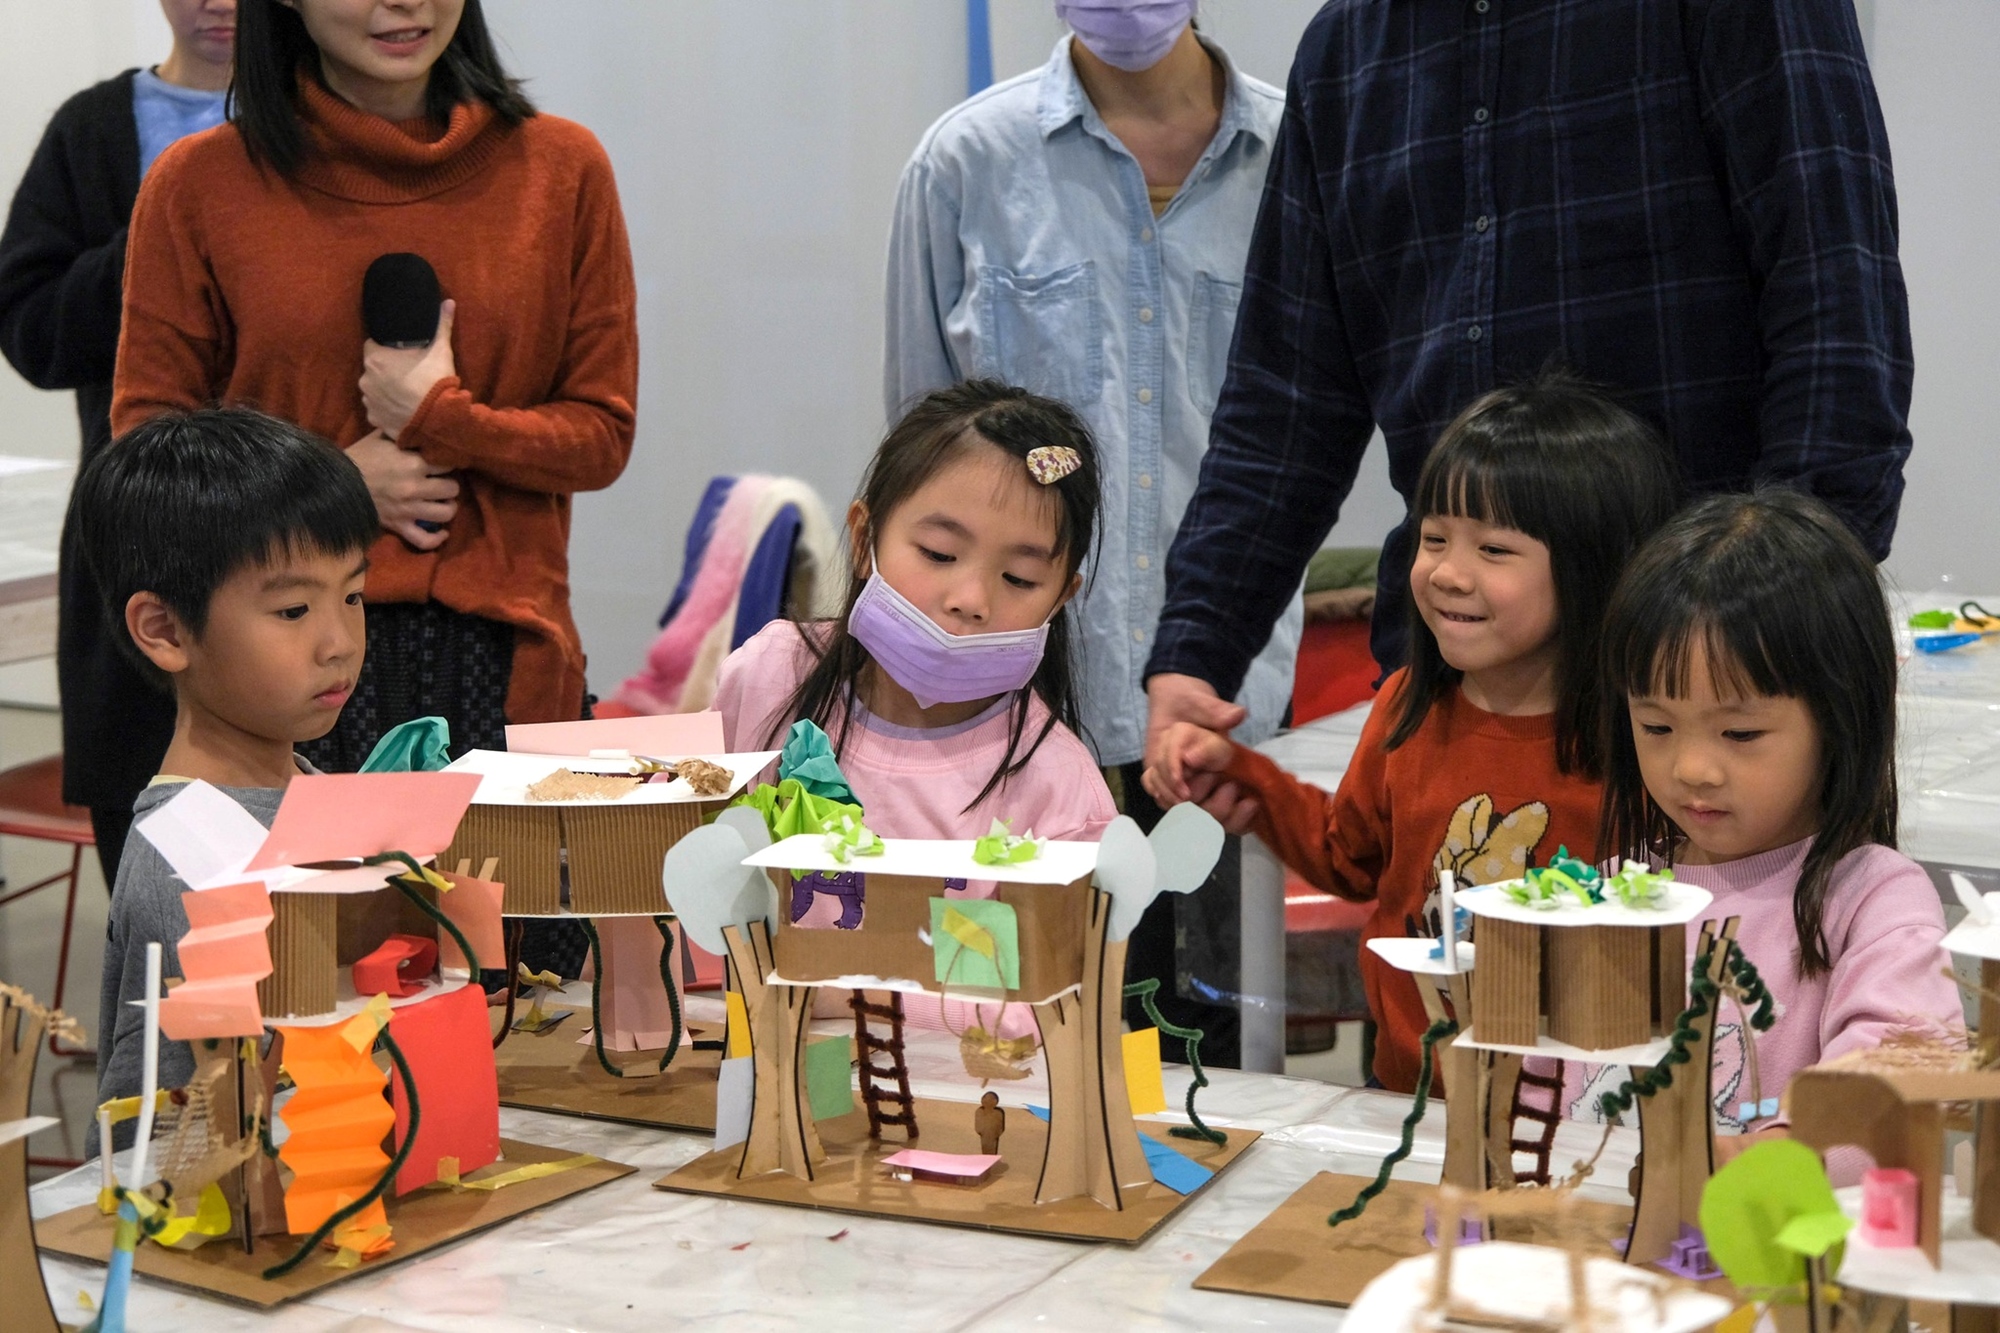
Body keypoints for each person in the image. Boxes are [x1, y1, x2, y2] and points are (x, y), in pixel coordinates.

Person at [1145, 0, 1913, 792]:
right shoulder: (1346, 50)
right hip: (1455, 695)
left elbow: (1837, 308)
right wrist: (1197, 646)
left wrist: (1786, 616)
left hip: (1703, 684)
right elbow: (1283, 401)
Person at [885, 0, 1288, 1064]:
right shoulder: (965, 163)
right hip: (1016, 711)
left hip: (1230, 705)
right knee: (1006, 1038)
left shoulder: (1299, 154)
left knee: (1214, 1066)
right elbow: (918, 456)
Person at [112, 0, 637, 775]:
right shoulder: (200, 183)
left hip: (506, 656)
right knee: (312, 862)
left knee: (504, 862)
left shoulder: (560, 168)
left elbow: (601, 436)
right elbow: (149, 450)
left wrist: (439, 417)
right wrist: (333, 487)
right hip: (281, 659)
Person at [1145, 373, 1679, 1090]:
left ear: (1591, 565)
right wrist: (1245, 776)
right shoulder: (1407, 705)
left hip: (1591, 1108)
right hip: (1412, 1093)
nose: (1447, 573)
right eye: (1434, 539)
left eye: (1494, 549)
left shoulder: (1647, 735)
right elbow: (1349, 856)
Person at [1558, 489, 1962, 1162]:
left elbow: (1901, 1075)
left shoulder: (1870, 899)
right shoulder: (1606, 893)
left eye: (1740, 733)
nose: (1691, 768)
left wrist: (1752, 1155)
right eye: (1655, 726)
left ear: (1840, 719)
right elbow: (1537, 1086)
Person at [714, 381, 1118, 1042]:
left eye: (1019, 579)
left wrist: (845, 995)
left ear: (1061, 596)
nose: (970, 599)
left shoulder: (1061, 792)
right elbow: (698, 875)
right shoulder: (768, 677)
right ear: (864, 537)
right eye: (938, 553)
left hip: (946, 1096)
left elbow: (1046, 1009)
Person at [81, 408, 377, 1130]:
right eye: (294, 610)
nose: (339, 641)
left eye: (353, 596)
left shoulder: (314, 793)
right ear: (165, 630)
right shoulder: (189, 862)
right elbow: (166, 1134)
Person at [0, 0, 237, 883]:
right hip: (133, 538)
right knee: (149, 880)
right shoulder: (93, 128)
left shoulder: (329, 121)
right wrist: (168, 217)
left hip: (294, 536)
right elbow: (33, 335)